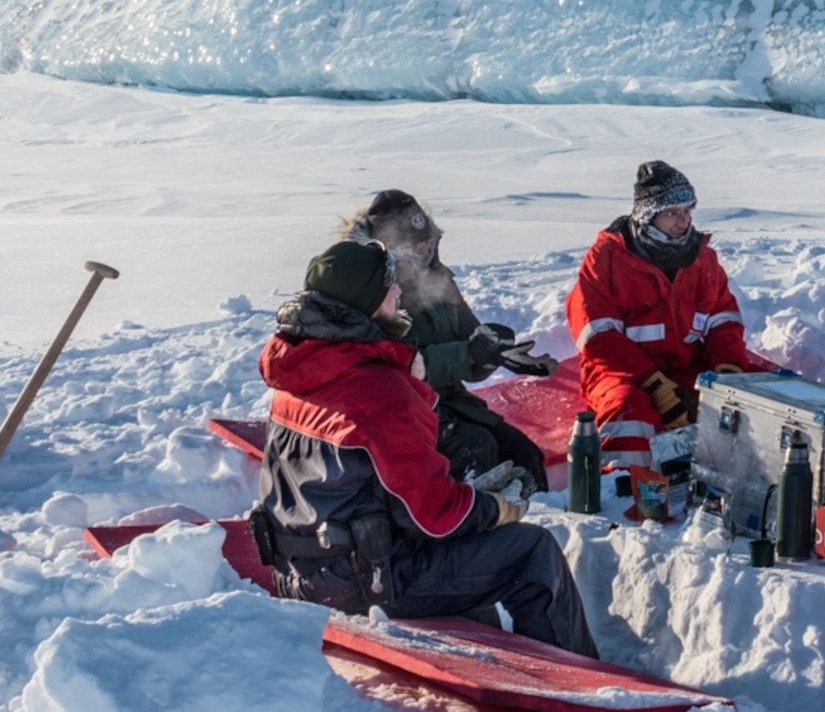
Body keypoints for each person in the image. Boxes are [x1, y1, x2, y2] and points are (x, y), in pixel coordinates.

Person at [252, 240, 596, 653]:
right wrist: (493, 506)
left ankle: (487, 653)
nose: (400, 294)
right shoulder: (378, 392)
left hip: (302, 571)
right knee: (531, 552)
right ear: (366, 302)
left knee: (469, 557)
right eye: (389, 287)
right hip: (363, 581)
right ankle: (577, 683)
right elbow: (436, 519)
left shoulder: (302, 369)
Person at [564, 160, 771, 489]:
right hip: (624, 374)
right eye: (672, 212)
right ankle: (624, 492)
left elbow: (723, 321)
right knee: (627, 414)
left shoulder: (702, 259)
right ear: (647, 215)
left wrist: (728, 373)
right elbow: (598, 339)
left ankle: (758, 484)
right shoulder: (605, 260)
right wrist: (655, 385)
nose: (684, 220)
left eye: (687, 210)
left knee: (770, 400)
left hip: (689, 368)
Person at [339, 189, 554, 489]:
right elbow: (397, 366)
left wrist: (497, 350)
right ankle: (467, 525)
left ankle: (542, 527)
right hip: (399, 415)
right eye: (417, 248)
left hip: (449, 406)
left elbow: (470, 334)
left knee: (523, 453)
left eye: (429, 243)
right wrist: (468, 355)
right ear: (391, 251)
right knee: (477, 450)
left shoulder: (438, 280)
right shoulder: (372, 293)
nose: (426, 253)